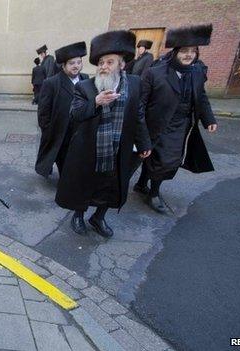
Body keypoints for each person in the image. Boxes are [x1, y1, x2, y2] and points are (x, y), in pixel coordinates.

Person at [55, 30, 152, 238]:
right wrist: (96, 103)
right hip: (89, 148)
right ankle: (78, 216)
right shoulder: (85, 87)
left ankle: (98, 217)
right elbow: (75, 114)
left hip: (120, 148)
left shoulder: (134, 84)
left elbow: (138, 116)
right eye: (101, 62)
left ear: (122, 64)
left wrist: (144, 143)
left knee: (112, 186)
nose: (104, 67)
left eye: (110, 62)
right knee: (85, 185)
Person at [134, 24, 217, 213]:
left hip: (182, 125)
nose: (189, 55)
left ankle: (144, 186)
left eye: (193, 51)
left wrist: (209, 119)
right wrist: (140, 130)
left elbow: (201, 96)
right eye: (184, 51)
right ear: (175, 52)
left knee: (166, 159)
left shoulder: (197, 72)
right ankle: (152, 192)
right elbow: (140, 104)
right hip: (157, 124)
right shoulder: (155, 73)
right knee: (160, 159)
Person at [35, 41, 89, 177]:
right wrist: (47, 130)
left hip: (80, 132)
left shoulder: (86, 80)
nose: (76, 66)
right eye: (72, 63)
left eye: (78, 62)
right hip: (60, 132)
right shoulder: (52, 83)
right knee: (62, 160)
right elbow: (43, 112)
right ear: (63, 66)